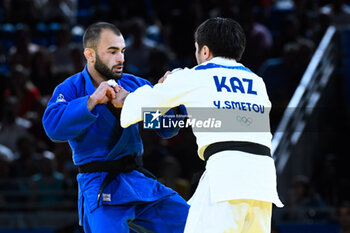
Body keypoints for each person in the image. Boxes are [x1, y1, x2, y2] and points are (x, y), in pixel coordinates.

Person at [114, 17, 284, 233]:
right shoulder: (257, 82)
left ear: (204, 51)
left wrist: (127, 98)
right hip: (262, 181)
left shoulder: (194, 76)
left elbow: (142, 106)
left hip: (227, 176)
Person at [42, 22, 189, 233]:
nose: (121, 59)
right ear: (90, 55)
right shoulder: (71, 88)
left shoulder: (135, 85)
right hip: (100, 186)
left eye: (122, 51)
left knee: (194, 224)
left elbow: (169, 128)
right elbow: (54, 128)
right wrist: (91, 101)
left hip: (138, 181)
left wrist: (169, 97)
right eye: (112, 52)